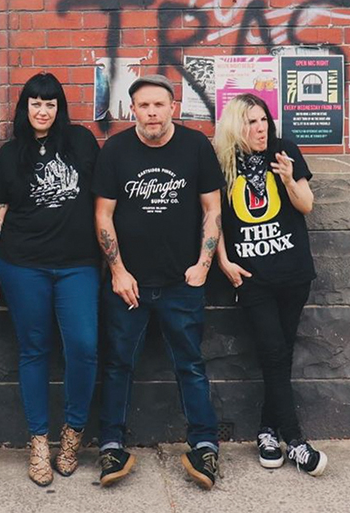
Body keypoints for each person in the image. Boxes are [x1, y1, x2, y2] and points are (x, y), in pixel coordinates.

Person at [93, 75, 224, 490]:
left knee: (190, 364)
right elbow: (102, 215)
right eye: (144, 105)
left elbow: (212, 209)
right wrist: (118, 271)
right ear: (132, 109)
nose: (151, 113)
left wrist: (203, 264)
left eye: (159, 105)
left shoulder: (195, 146)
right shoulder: (116, 150)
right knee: (117, 365)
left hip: (181, 282)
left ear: (172, 107)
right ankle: (111, 446)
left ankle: (205, 446)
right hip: (128, 284)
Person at [0, 73, 101, 486]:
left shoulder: (81, 142)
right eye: (35, 103)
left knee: (83, 346)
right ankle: (37, 441)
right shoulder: (12, 154)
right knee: (34, 350)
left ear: (59, 108)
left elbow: (102, 201)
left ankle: (72, 433)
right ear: (25, 107)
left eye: (50, 104)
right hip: (23, 266)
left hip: (78, 265)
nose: (43, 111)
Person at [214, 93, 327, 476]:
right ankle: (294, 441)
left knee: (280, 355)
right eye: (251, 122)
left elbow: (306, 204)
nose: (260, 128)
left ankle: (266, 431)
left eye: (263, 120)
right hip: (252, 277)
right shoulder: (222, 163)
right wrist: (223, 260)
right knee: (274, 352)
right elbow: (214, 216)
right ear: (236, 126)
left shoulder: (284, 151)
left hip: (293, 273)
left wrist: (288, 178)